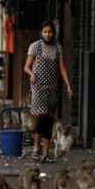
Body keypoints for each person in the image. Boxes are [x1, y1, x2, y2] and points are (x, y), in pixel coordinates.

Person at [24, 21, 73, 163]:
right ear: (41, 32)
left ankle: (45, 153)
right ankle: (35, 147)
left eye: (50, 32)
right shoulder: (35, 46)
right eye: (45, 32)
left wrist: (68, 86)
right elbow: (26, 67)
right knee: (41, 117)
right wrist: (31, 74)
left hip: (53, 88)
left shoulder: (58, 47)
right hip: (38, 87)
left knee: (49, 120)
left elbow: (62, 68)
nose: (47, 34)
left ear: (54, 33)